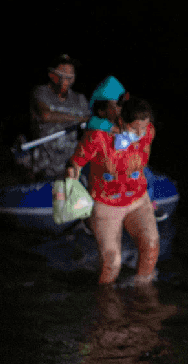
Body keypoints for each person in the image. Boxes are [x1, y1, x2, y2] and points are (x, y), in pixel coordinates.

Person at [66, 97, 158, 285]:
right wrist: (72, 174)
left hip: (138, 199)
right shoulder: (97, 137)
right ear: (122, 121)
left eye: (144, 127)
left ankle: (143, 296)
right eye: (135, 128)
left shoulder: (149, 132)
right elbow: (75, 162)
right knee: (111, 263)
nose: (141, 133)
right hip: (106, 202)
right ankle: (105, 306)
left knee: (151, 247)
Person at [29, 54, 90, 178]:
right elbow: (45, 115)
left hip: (71, 165)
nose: (67, 79)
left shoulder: (80, 99)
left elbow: (90, 124)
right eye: (63, 74)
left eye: (71, 75)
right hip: (45, 166)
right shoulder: (41, 92)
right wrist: (79, 119)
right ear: (52, 75)